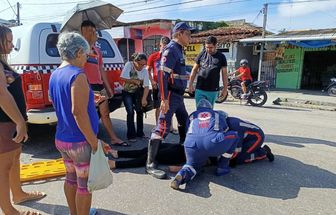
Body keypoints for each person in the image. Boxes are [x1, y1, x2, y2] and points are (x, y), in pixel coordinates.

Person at [49, 32, 107, 215]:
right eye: (86, 55)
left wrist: (89, 99)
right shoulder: (78, 75)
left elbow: (58, 101)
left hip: (62, 138)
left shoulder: (55, 74)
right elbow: (78, 112)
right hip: (79, 141)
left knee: (70, 178)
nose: (87, 59)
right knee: (84, 185)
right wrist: (93, 141)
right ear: (79, 52)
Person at [0, 25, 45, 215]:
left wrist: (20, 120)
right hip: (4, 122)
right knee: (4, 166)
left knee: (15, 158)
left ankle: (18, 194)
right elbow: (2, 95)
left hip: (11, 121)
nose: (11, 45)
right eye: (8, 41)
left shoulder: (3, 63)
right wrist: (19, 122)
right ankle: (9, 210)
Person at [146, 22, 194, 179]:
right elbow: (162, 75)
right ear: (179, 33)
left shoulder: (179, 50)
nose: (190, 37)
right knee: (162, 127)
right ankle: (150, 164)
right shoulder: (172, 49)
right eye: (188, 34)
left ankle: (182, 149)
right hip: (171, 96)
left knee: (184, 121)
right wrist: (163, 99)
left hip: (178, 96)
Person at [170, 99, 239, 190]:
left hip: (191, 145)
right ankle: (223, 167)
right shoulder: (217, 114)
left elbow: (187, 131)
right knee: (234, 135)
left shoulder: (192, 115)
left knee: (192, 166)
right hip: (211, 142)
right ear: (210, 108)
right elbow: (226, 129)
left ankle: (181, 175)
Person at [81, 20, 125, 146]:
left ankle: (113, 138)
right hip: (87, 87)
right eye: (91, 31)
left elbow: (101, 70)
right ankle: (90, 141)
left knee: (105, 113)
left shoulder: (97, 51)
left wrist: (107, 87)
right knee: (90, 116)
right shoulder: (81, 50)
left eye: (94, 31)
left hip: (99, 86)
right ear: (83, 32)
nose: (94, 34)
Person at [146, 36, 178, 135]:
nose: (164, 49)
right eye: (163, 46)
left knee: (169, 106)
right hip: (157, 85)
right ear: (159, 45)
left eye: (166, 47)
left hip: (168, 84)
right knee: (158, 107)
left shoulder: (170, 56)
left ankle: (170, 127)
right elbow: (148, 69)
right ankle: (157, 126)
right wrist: (152, 82)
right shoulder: (153, 56)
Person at [189, 36, 228, 107]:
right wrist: (190, 84)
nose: (208, 49)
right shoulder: (201, 54)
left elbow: (224, 74)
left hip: (213, 90)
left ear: (216, 45)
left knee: (209, 112)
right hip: (200, 89)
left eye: (210, 47)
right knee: (200, 111)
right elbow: (194, 70)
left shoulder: (221, 57)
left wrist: (225, 89)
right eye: (207, 47)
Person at [120, 53, 150, 142]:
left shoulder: (145, 70)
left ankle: (140, 133)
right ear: (135, 61)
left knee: (140, 111)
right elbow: (122, 77)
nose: (141, 67)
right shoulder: (129, 65)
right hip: (127, 92)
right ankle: (131, 135)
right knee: (130, 112)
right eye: (140, 64)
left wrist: (144, 99)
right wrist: (133, 81)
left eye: (144, 65)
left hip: (138, 93)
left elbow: (146, 86)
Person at [107, 143, 185, 170]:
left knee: (149, 156)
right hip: (180, 147)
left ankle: (116, 164)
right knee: (147, 149)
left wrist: (180, 168)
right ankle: (118, 153)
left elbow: (196, 162)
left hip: (180, 155)